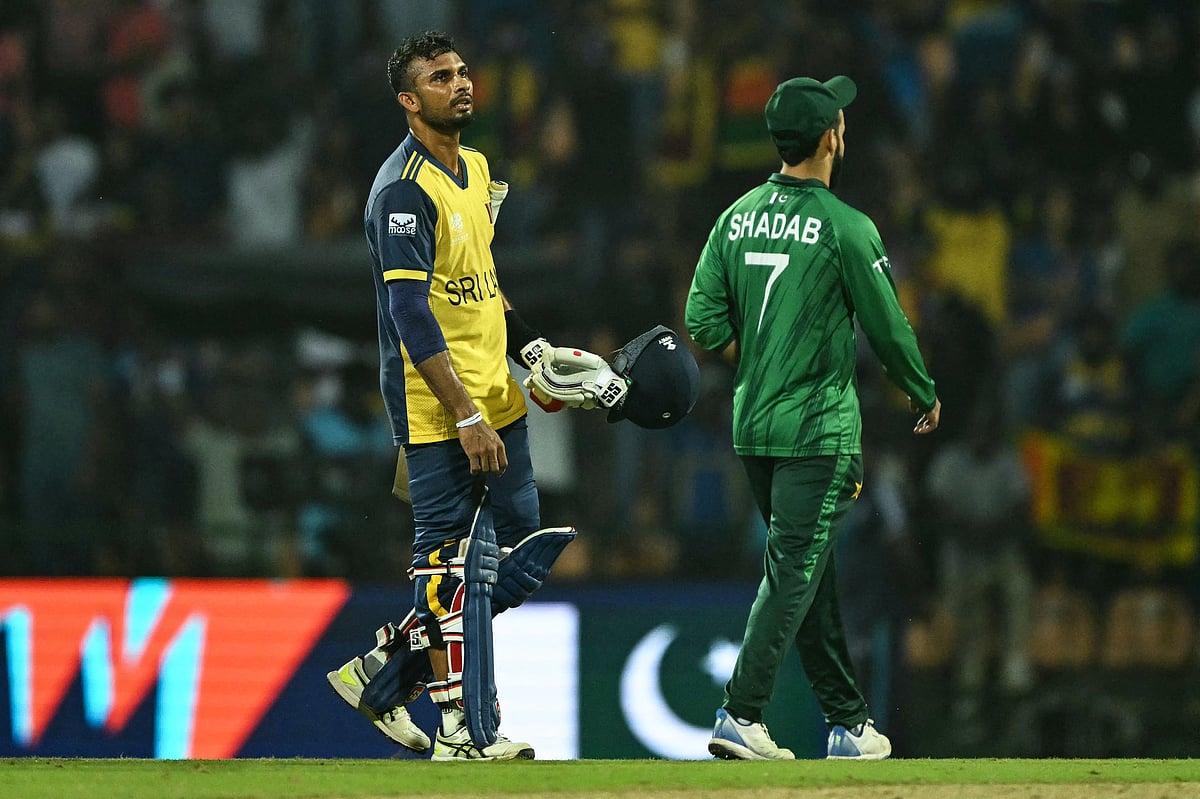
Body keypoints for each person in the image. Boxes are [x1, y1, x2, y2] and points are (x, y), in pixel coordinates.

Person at [326, 30, 577, 762]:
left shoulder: (477, 168)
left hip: (498, 393)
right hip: (438, 405)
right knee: (446, 564)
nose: (461, 83)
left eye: (463, 72)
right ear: (409, 101)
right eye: (441, 77)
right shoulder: (403, 191)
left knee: (518, 550)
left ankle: (382, 670)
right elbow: (409, 312)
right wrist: (464, 412)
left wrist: (532, 352)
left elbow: (483, 287)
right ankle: (462, 730)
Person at [685, 75, 941, 761]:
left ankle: (849, 724)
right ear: (831, 137)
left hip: (753, 426)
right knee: (795, 570)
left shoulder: (735, 217)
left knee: (808, 575)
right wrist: (921, 390)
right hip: (817, 430)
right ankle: (741, 711)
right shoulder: (846, 226)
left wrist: (760, 353)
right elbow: (887, 326)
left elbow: (701, 321)